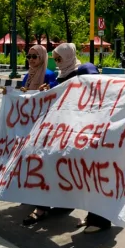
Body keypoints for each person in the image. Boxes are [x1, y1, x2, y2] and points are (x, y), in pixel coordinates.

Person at [24, 44, 111, 232]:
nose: (57, 63)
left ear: (69, 57)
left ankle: (99, 220)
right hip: (68, 132)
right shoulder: (62, 76)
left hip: (86, 131)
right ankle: (87, 215)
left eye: (59, 59)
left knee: (90, 174)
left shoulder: (84, 70)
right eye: (55, 59)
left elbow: (94, 92)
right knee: (70, 171)